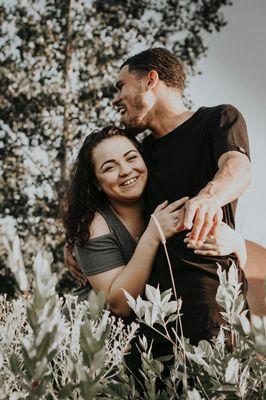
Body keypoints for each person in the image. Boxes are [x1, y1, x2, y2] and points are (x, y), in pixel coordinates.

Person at [66, 47, 251, 343]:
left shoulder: (217, 119)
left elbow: (237, 166)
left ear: (150, 80)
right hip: (154, 321)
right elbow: (104, 194)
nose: (115, 99)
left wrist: (210, 200)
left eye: (121, 86)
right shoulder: (141, 154)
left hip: (212, 306)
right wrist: (74, 240)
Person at [62, 126, 247, 385]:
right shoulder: (94, 223)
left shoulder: (164, 195)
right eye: (109, 167)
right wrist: (152, 234)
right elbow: (119, 303)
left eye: (131, 157)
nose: (126, 170)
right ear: (96, 182)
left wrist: (238, 244)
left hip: (162, 344)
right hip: (104, 358)